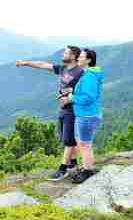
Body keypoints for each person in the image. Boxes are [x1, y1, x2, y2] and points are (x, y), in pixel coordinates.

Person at [16, 46, 83, 180]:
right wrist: (26, 63)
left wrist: (71, 97)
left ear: (74, 56)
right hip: (63, 109)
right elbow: (43, 65)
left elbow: (87, 91)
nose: (63, 54)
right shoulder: (63, 68)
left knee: (69, 141)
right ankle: (73, 164)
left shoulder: (81, 72)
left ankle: (62, 169)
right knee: (67, 139)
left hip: (73, 109)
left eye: (66, 53)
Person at [59, 48, 103, 184]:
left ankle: (88, 171)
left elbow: (88, 97)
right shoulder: (88, 74)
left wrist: (72, 98)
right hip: (85, 114)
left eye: (82, 57)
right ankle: (86, 167)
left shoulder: (89, 76)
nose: (79, 58)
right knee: (82, 143)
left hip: (87, 115)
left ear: (88, 60)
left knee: (84, 144)